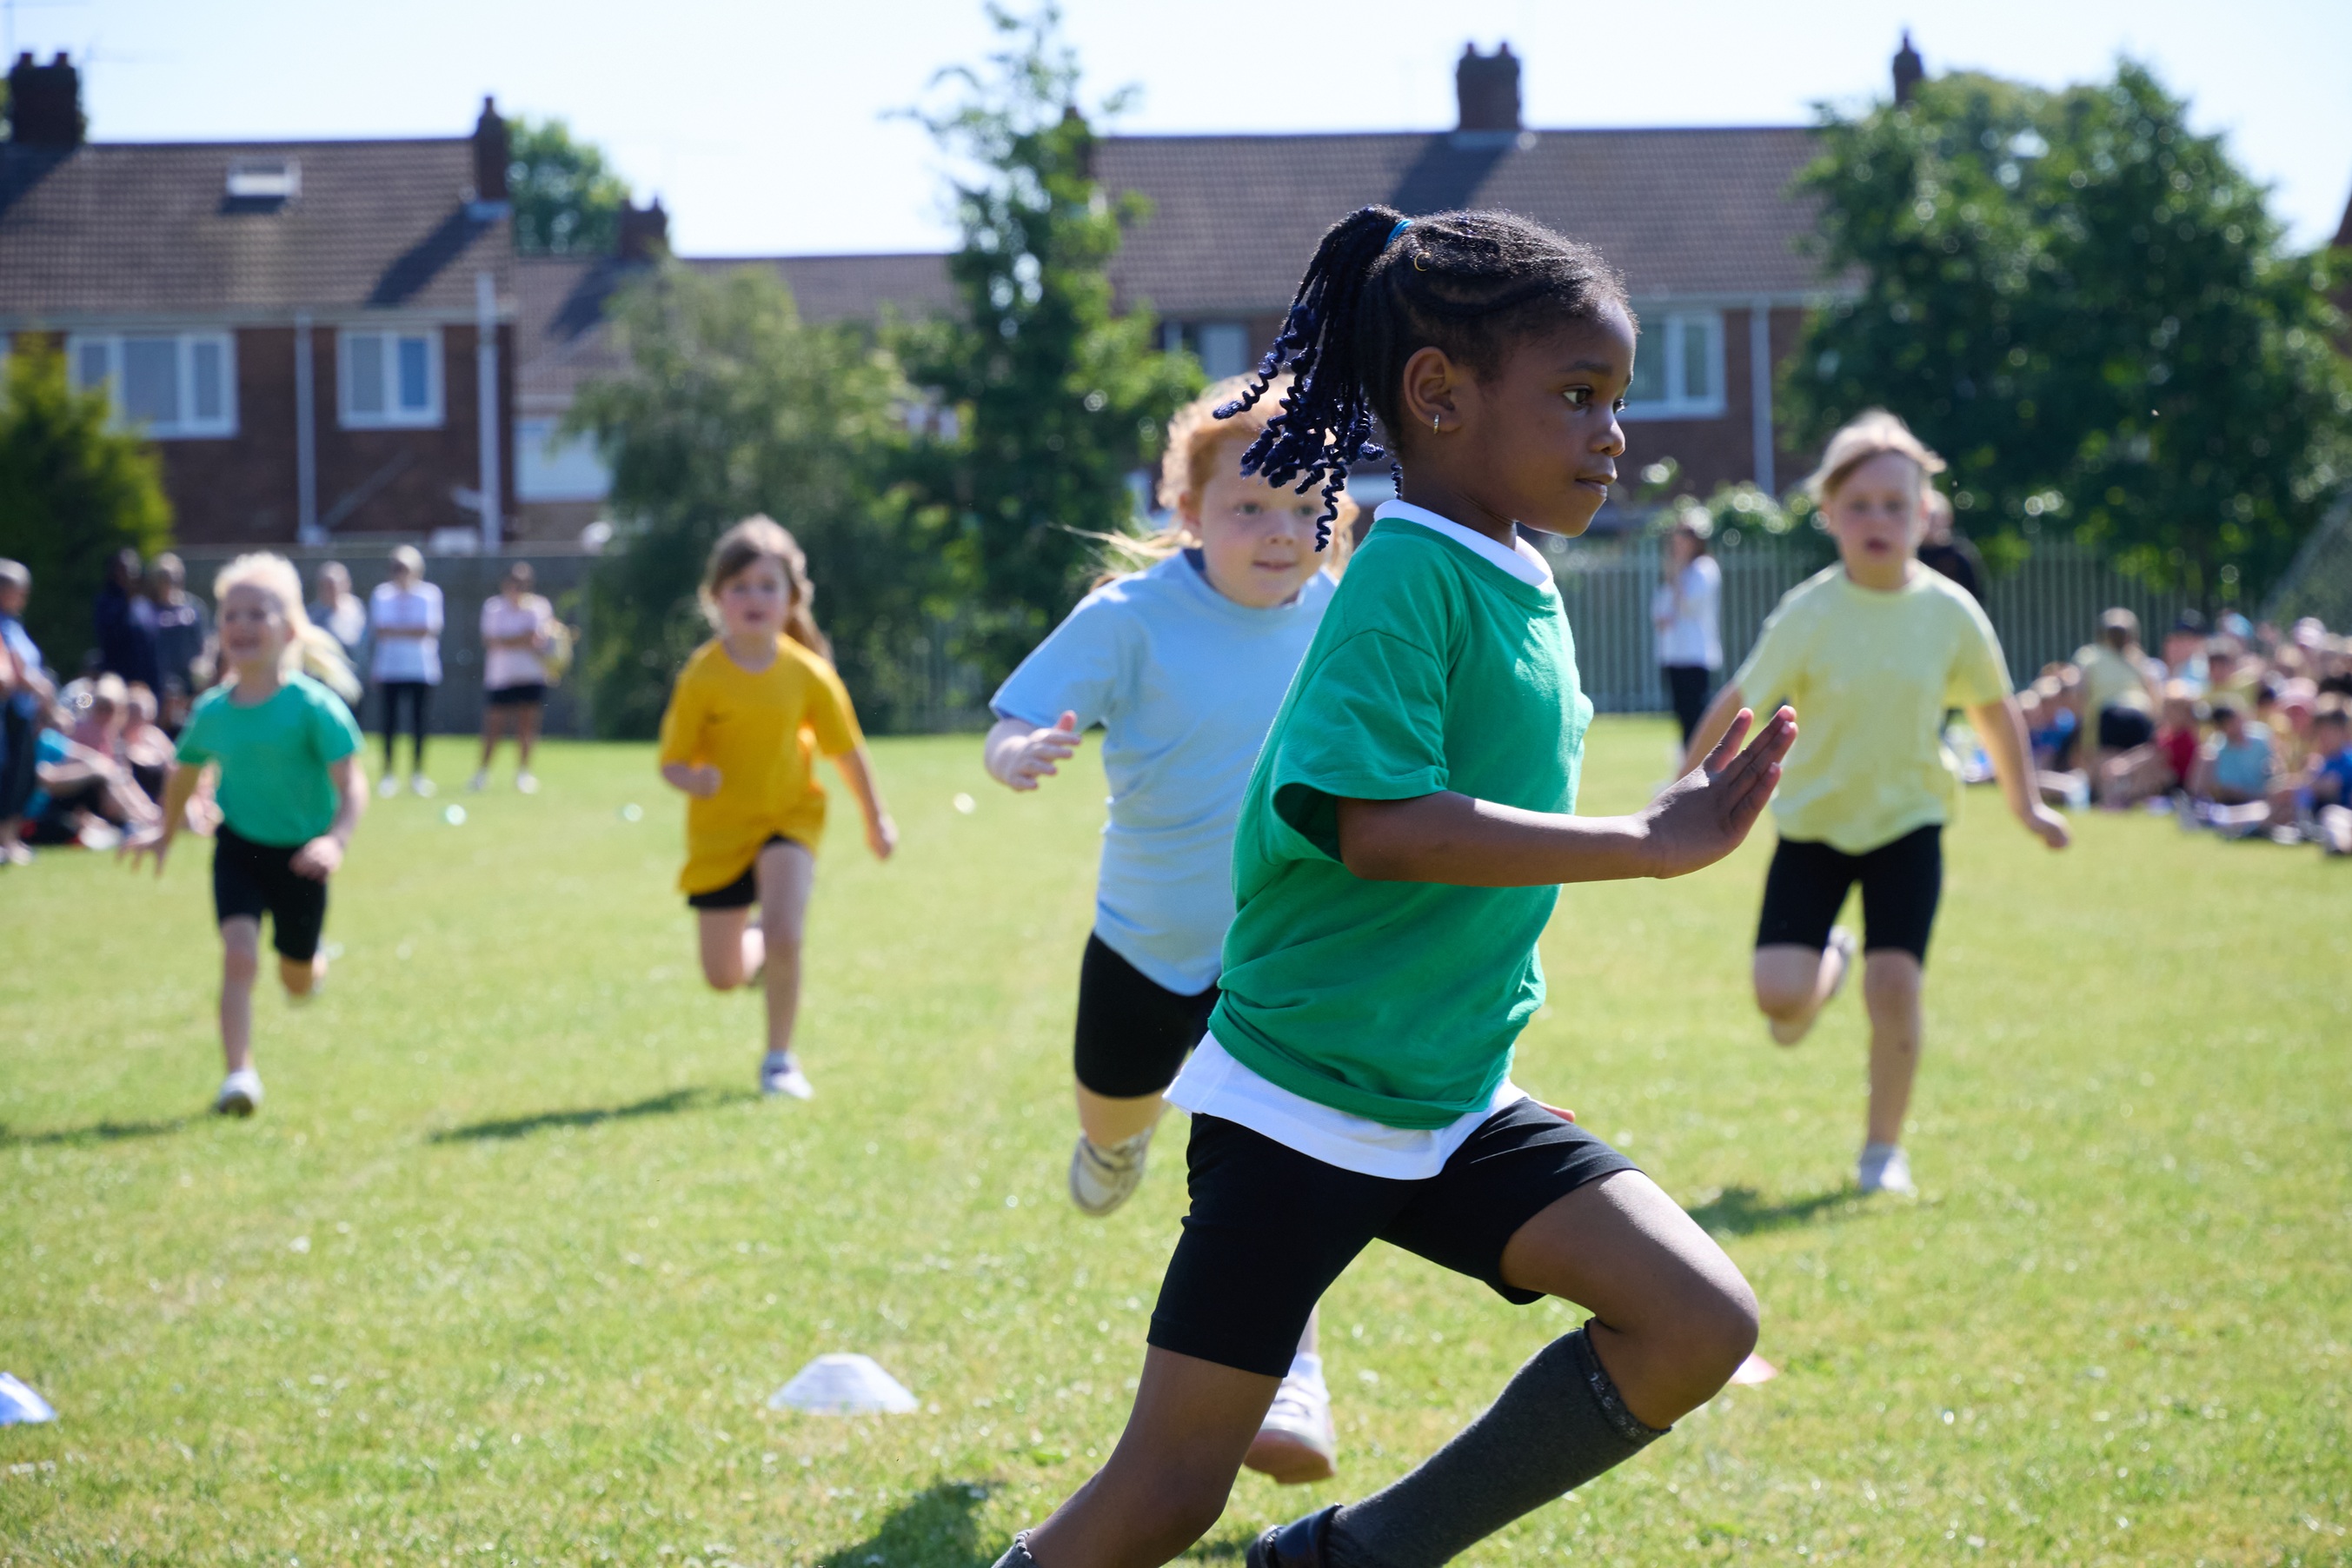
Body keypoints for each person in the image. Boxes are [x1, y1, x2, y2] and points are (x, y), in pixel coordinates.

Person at [989, 206, 1798, 1568]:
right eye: (1577, 395)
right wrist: (1644, 843)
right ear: (1436, 395)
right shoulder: (1405, 573)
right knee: (1168, 1494)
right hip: (1302, 1104)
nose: (1612, 432)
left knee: (1696, 1320)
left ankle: (1346, 1559)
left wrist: (1489, 1044)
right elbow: (1379, 828)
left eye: (1618, 397)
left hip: (1444, 1098)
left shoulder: (1511, 571)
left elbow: (1457, 884)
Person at [982, 375, 1356, 1485]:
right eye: (1251, 508)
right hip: (1145, 945)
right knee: (1114, 1121)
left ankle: (1294, 1375)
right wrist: (1020, 755)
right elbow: (1014, 720)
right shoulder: (1130, 617)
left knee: (1273, 1172)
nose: (1282, 533)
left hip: (1280, 958)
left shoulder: (1345, 614)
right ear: (1188, 513)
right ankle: (1114, 1142)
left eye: (1306, 509)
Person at [1683, 409, 2069, 1200]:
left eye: (1897, 505)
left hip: (1908, 825)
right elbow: (1739, 697)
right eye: (1859, 505)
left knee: (1897, 989)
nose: (1878, 520)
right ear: (1829, 517)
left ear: (1926, 516)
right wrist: (1682, 788)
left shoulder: (1950, 611)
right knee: (1780, 1005)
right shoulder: (1810, 610)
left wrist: (2028, 807)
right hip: (1814, 828)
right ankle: (1830, 961)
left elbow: (1995, 711)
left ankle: (1881, 1153)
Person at [657, 517, 897, 1101]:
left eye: (768, 585)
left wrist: (875, 817)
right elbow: (670, 762)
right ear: (715, 599)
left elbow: (846, 751)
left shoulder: (808, 673)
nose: (754, 598)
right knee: (723, 978)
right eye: (739, 586)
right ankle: (759, 941)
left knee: (790, 932)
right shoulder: (702, 676)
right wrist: (696, 777)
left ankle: (778, 1061)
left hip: (790, 819)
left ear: (792, 598)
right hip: (720, 837)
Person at [125, 554, 367, 1118]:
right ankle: (240, 1075)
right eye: (232, 613)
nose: (242, 623)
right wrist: (164, 834)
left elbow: (352, 784)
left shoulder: (313, 706)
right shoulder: (212, 712)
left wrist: (336, 840)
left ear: (288, 628)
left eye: (258, 612)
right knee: (239, 958)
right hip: (238, 848)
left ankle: (312, 966)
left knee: (296, 979)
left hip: (304, 857)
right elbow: (183, 774)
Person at [471, 561, 555, 794]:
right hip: (501, 676)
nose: (518, 588)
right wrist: (522, 638)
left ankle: (523, 774)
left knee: (527, 727)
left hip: (532, 674)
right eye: (514, 582)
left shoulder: (539, 606)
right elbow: (492, 640)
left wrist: (517, 640)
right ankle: (482, 773)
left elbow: (541, 641)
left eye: (523, 584)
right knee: (494, 727)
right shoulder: (494, 607)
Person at [369, 545, 442, 795]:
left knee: (419, 723)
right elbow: (380, 630)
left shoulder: (429, 594)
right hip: (389, 669)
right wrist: (408, 629)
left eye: (405, 568)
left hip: (421, 670)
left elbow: (427, 630)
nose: (400, 573)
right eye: (396, 568)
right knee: (389, 723)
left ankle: (418, 774)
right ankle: (388, 774)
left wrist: (397, 630)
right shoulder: (382, 594)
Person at [1650, 515, 1723, 748]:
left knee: (1696, 717)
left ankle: (1700, 768)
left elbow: (1688, 606)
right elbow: (1660, 614)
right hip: (1672, 654)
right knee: (1682, 716)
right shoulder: (1675, 574)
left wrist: (1676, 578)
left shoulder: (1704, 569)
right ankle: (1685, 768)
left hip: (1694, 654)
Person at [0, 559, 56, 865]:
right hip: (10, 713)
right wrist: (40, 691)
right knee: (11, 777)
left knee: (24, 777)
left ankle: (10, 838)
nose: (24, 596)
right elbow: (14, 670)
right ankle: (4, 840)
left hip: (26, 714)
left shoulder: (13, 623)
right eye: (19, 590)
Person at [2074, 608, 2163, 788]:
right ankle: (2127, 799)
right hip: (2140, 714)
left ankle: (2109, 799)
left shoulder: (2089, 655)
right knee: (2136, 760)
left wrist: (2083, 724)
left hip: (2110, 714)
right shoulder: (2139, 658)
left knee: (2107, 759)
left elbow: (2080, 693)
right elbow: (2153, 691)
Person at [147, 553, 213, 732]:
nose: (170, 583)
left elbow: (205, 640)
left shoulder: (193, 608)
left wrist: (204, 666)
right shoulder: (148, 610)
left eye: (175, 578)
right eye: (165, 578)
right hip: (160, 682)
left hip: (190, 681)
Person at [95, 547, 163, 694]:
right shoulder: (106, 603)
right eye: (123, 569)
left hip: (146, 684)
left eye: (133, 569)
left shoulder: (145, 605)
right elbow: (110, 638)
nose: (129, 574)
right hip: (119, 683)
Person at [2191, 699, 2272, 806]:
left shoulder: (2262, 742)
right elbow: (2223, 787)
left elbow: (2273, 772)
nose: (2232, 726)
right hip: (2232, 802)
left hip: (2262, 799)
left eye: (2233, 720)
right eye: (2224, 724)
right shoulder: (2218, 751)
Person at [1913, 487, 1984, 603]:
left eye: (1933, 517)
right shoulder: (1910, 554)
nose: (1929, 522)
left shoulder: (1961, 555)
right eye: (1925, 517)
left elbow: (1976, 595)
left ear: (1948, 518)